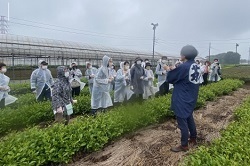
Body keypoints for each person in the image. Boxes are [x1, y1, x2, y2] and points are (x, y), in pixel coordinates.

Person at [167, 45, 200, 152]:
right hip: (191, 96)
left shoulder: (184, 66)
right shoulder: (196, 66)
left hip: (182, 97)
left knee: (182, 121)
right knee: (189, 117)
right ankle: (193, 138)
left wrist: (169, 70)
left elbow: (170, 78)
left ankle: (184, 145)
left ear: (184, 55)